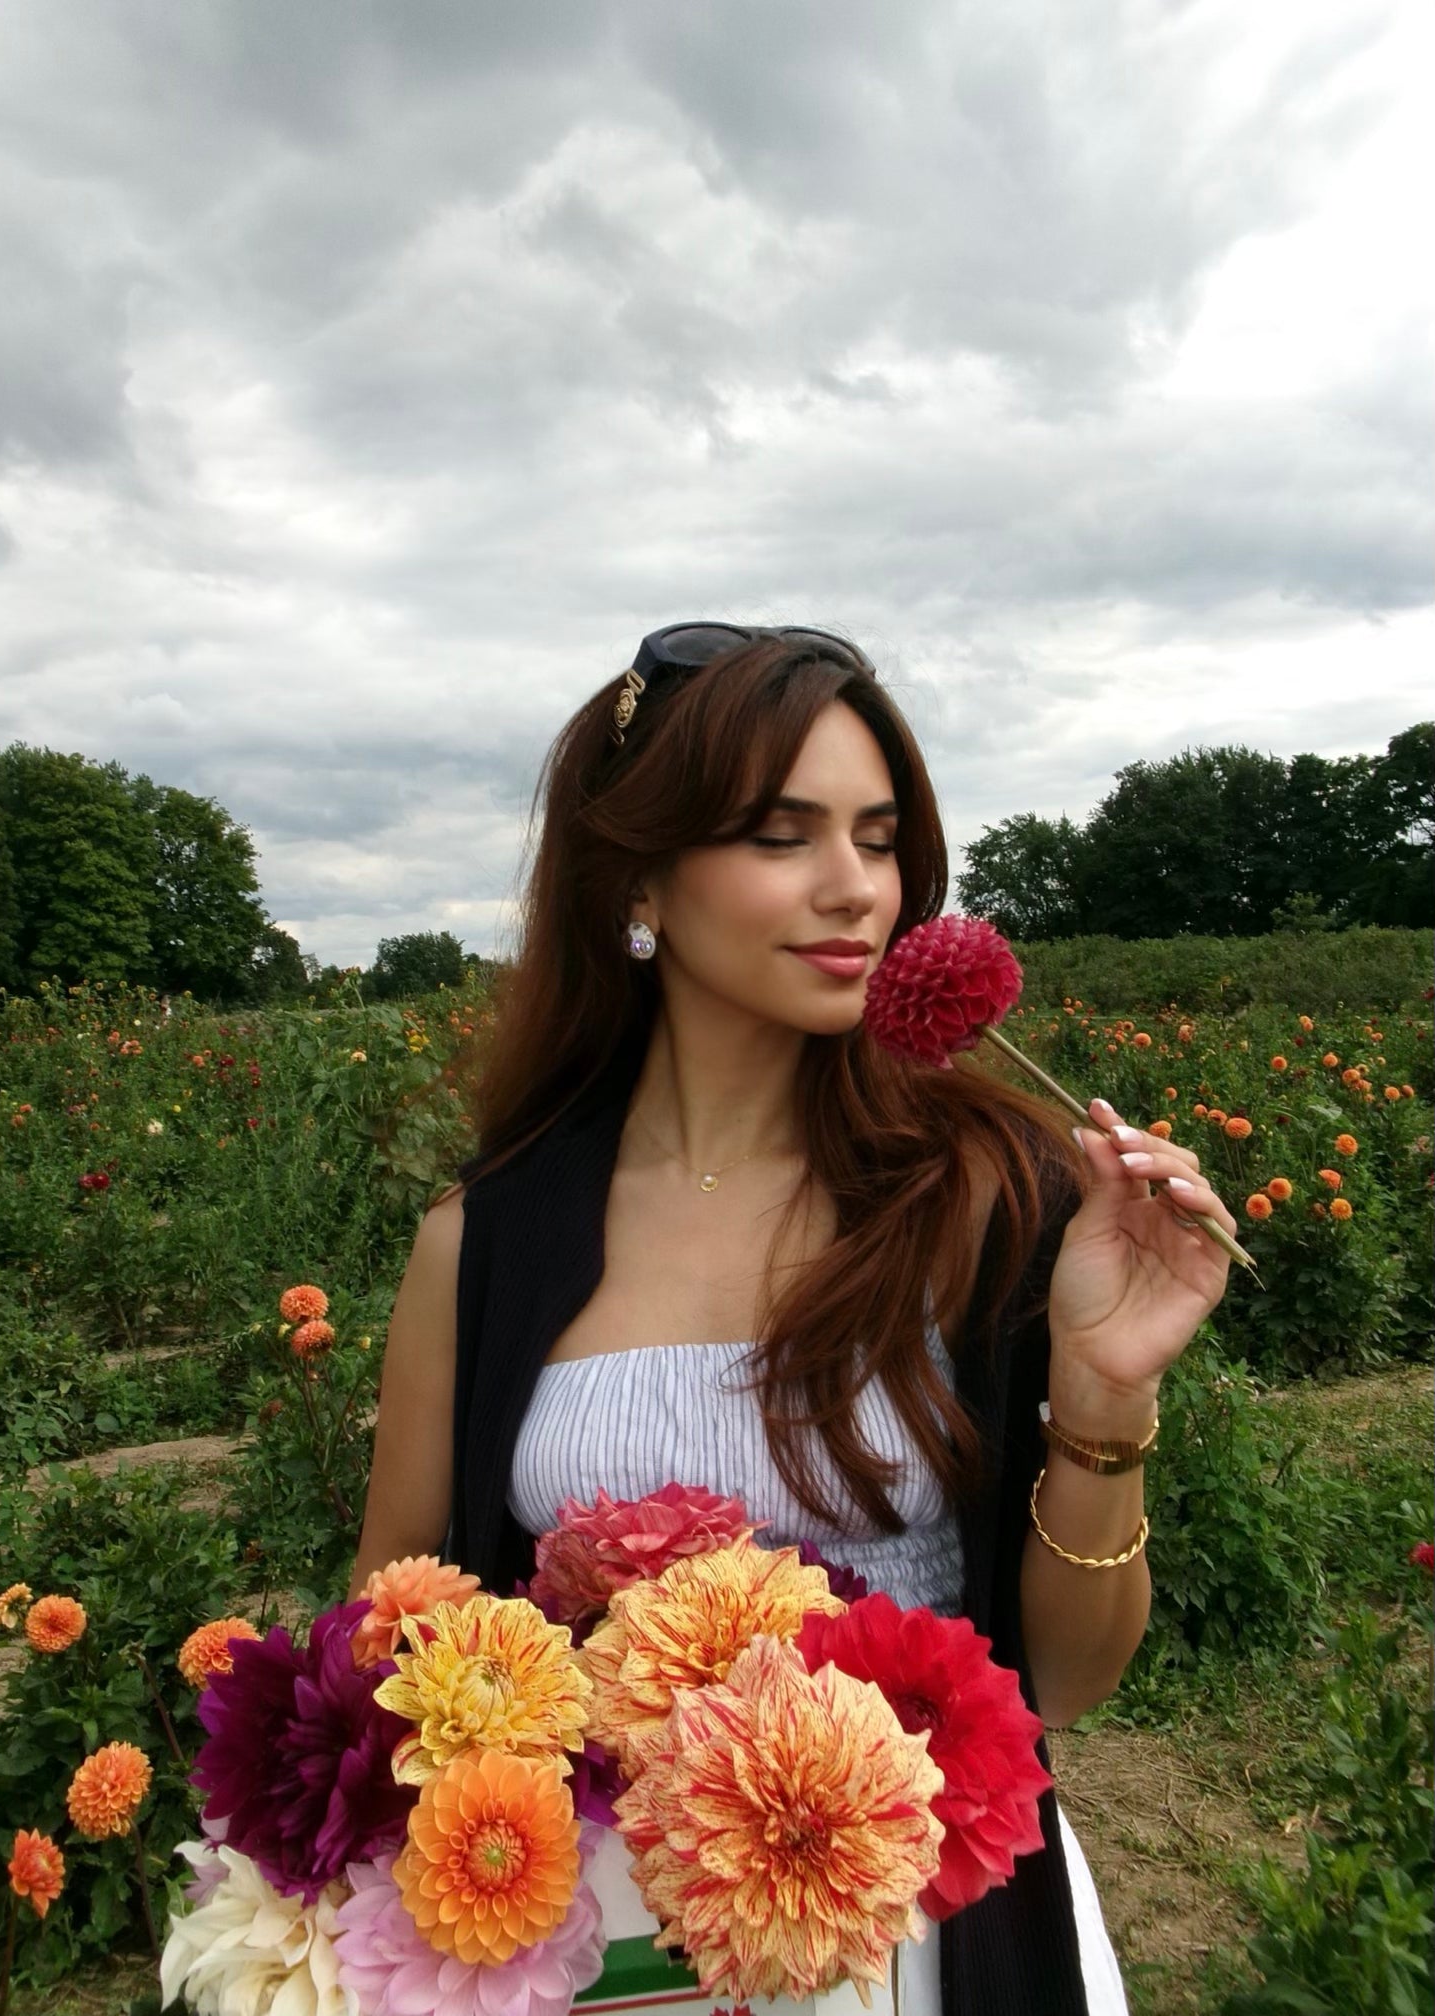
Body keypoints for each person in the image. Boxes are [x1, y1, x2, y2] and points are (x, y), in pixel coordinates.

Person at [350, 623, 1237, 2015]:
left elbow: (1062, 1682)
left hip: (933, 1942)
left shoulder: (981, 1198)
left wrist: (1107, 1400)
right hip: (598, 1950)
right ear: (639, 871)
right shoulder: (487, 1242)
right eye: (782, 835)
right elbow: (387, 1628)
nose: (855, 892)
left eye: (880, 841)